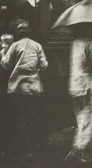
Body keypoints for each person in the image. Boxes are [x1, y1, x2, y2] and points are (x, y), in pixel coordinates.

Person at [1, 21, 48, 161]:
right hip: (33, 88)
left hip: (17, 89)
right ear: (30, 32)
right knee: (33, 117)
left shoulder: (15, 46)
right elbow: (44, 65)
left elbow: (5, 65)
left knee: (21, 120)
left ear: (18, 33)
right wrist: (36, 70)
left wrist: (3, 51)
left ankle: (26, 150)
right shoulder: (37, 46)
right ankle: (35, 147)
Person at [65, 24, 92, 163]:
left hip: (75, 85)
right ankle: (78, 149)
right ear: (88, 29)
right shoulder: (90, 44)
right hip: (89, 86)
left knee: (82, 119)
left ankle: (83, 153)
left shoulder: (74, 43)